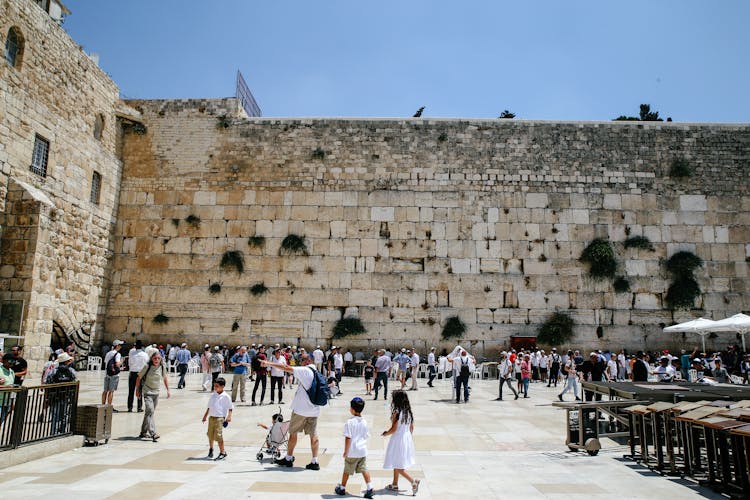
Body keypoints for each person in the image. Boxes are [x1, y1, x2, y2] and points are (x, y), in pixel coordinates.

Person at [262, 353, 324, 470]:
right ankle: (314, 461)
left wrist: (268, 363)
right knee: (314, 434)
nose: (301, 362)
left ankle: (289, 458)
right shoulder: (317, 372)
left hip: (301, 410)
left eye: (302, 360)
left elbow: (286, 368)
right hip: (314, 409)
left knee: (293, 433)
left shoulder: (305, 370)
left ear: (308, 360)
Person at [335, 397, 374, 498]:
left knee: (347, 470)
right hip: (362, 451)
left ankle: (342, 488)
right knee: (364, 469)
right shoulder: (364, 421)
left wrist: (346, 451)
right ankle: (370, 488)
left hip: (352, 451)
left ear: (352, 409)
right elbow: (366, 436)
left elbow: (348, 438)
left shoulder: (349, 422)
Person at [382, 390, 420, 495]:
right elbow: (411, 427)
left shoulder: (397, 412)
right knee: (397, 460)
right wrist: (408, 438)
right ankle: (395, 484)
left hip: (398, 439)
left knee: (398, 465)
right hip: (406, 438)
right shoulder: (408, 411)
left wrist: (386, 433)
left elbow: (394, 429)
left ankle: (413, 482)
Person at [135, 350, 170, 442]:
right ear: (151, 358)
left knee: (149, 413)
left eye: (158, 358)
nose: (156, 360)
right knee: (150, 410)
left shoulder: (162, 367)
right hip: (147, 392)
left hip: (156, 393)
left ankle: (143, 432)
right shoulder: (147, 366)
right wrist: (137, 390)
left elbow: (165, 378)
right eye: (155, 358)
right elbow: (138, 378)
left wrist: (168, 390)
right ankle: (153, 433)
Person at [201, 377, 233, 460]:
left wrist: (229, 416)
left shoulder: (226, 396)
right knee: (210, 434)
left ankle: (223, 452)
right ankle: (211, 449)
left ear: (222, 386)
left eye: (217, 386)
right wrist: (205, 416)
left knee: (218, 435)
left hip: (220, 418)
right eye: (214, 386)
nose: (215, 387)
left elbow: (230, 407)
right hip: (211, 417)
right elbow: (209, 407)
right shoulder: (213, 395)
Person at [45, 352, 76, 432]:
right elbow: (74, 384)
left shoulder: (53, 371)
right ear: (66, 362)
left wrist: (46, 398)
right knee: (64, 416)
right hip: (66, 397)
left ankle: (53, 433)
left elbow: (47, 385)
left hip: (54, 397)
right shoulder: (71, 371)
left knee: (55, 416)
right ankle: (62, 432)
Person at [102, 340, 124, 411]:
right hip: (114, 375)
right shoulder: (117, 354)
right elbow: (117, 364)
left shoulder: (108, 353)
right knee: (111, 391)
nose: (121, 347)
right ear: (117, 346)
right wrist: (122, 361)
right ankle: (109, 407)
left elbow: (105, 362)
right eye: (120, 345)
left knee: (105, 391)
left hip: (107, 373)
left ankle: (103, 405)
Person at [127, 340, 148, 412]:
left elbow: (129, 364)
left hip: (132, 373)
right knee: (139, 390)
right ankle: (139, 407)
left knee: (131, 391)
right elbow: (146, 365)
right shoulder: (145, 354)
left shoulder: (132, 354)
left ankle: (130, 407)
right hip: (140, 374)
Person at [0, 352, 15, 424]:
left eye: (14, 361)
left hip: (7, 402)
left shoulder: (12, 372)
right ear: (4, 361)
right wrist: (5, 387)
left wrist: (12, 403)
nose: (12, 363)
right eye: (10, 361)